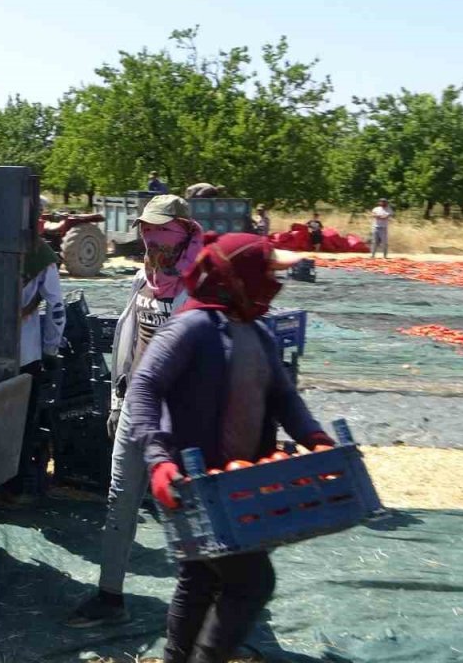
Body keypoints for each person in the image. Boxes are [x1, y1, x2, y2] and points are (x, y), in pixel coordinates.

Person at [129, 233, 336, 663]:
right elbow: (145, 386)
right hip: (196, 485)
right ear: (237, 278)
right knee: (251, 583)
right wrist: (158, 461)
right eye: (265, 273)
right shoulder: (192, 327)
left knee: (200, 577)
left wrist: (314, 438)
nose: (273, 284)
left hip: (240, 485)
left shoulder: (256, 332)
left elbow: (283, 397)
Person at [67, 194, 203, 628]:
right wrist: (115, 400)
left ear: (184, 231)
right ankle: (110, 598)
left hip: (177, 419)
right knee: (119, 502)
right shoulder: (142, 280)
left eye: (162, 232)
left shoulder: (200, 288)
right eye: (146, 231)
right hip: (133, 410)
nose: (152, 240)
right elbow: (127, 346)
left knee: (186, 511)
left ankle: (200, 606)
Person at [0, 196, 66, 508]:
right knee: (21, 425)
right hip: (26, 355)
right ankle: (10, 490)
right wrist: (50, 348)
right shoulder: (41, 253)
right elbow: (56, 307)